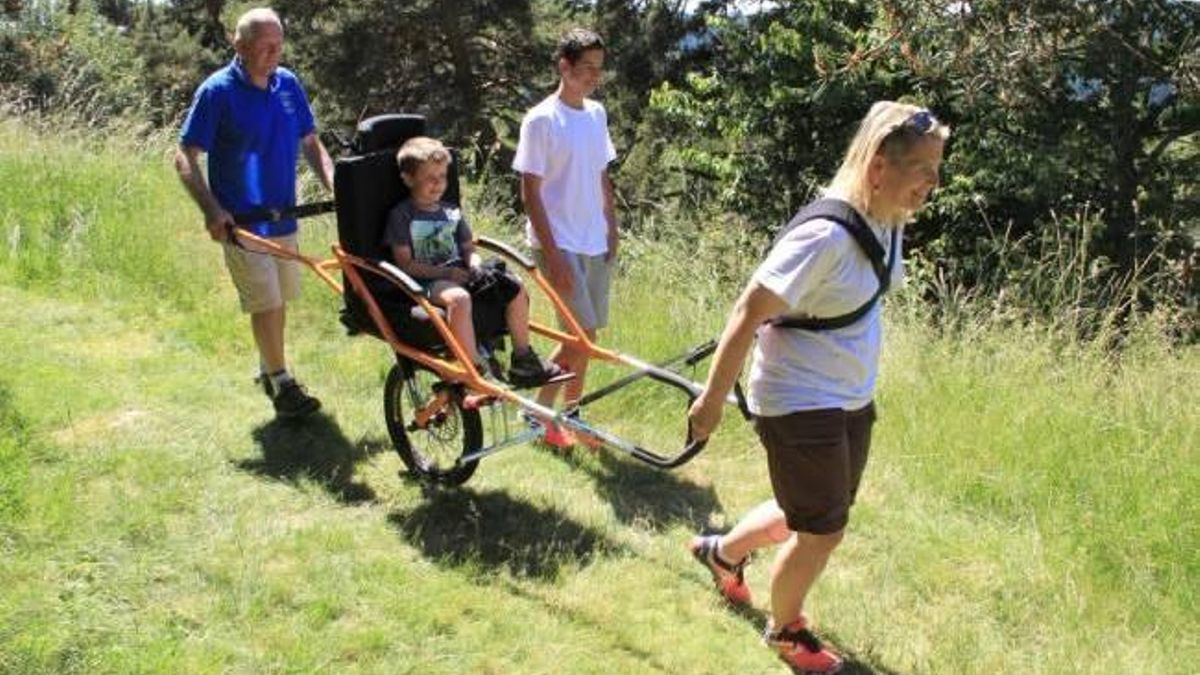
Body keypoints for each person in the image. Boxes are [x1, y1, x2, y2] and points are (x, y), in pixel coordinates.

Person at [686, 101, 949, 673]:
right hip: (801, 400)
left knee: (805, 509)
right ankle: (785, 631)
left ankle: (721, 553)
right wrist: (709, 401)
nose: (933, 182)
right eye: (923, 169)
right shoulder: (826, 237)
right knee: (822, 532)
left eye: (937, 168)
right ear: (878, 167)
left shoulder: (888, 222)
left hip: (850, 397)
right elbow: (747, 311)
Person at [174, 7, 334, 419]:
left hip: (283, 216)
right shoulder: (217, 91)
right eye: (264, 46)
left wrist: (337, 184)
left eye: (278, 45)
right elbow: (185, 156)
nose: (273, 53)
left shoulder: (288, 85)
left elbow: (311, 142)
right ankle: (283, 383)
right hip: (242, 222)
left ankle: (268, 368)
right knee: (266, 301)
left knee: (280, 298)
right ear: (239, 45)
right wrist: (212, 210)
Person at [512, 27, 618, 447]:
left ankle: (572, 416)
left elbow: (601, 175)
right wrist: (552, 254)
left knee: (587, 337)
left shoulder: (596, 114)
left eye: (599, 69)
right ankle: (537, 412)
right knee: (580, 335)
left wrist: (612, 226)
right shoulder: (541, 119)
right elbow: (530, 192)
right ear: (564, 66)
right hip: (558, 241)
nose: (594, 76)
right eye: (586, 68)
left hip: (594, 238)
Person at [384, 136, 561, 388]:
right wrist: (446, 273)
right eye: (429, 178)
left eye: (442, 177)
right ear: (409, 178)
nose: (438, 184)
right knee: (459, 298)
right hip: (423, 280)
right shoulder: (402, 215)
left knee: (514, 285)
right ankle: (473, 367)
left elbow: (469, 249)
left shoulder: (450, 212)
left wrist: (475, 264)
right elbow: (405, 265)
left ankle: (523, 358)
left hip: (458, 271)